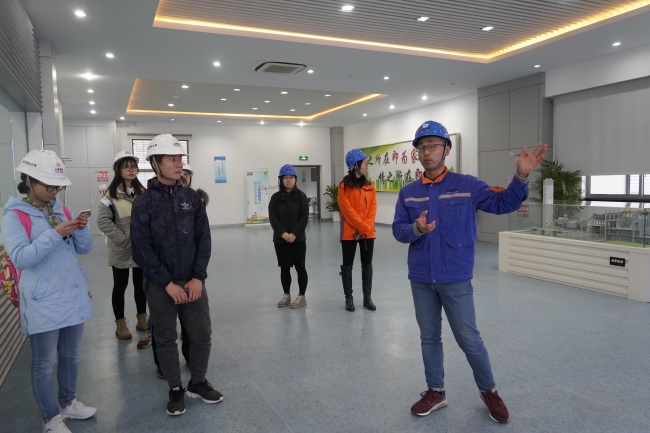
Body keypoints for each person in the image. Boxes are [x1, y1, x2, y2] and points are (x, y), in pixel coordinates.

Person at [392, 120, 547, 423]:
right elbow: (398, 230)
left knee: (469, 338)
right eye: (422, 147)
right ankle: (436, 391)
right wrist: (416, 229)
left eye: (433, 146)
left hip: (455, 278)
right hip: (421, 278)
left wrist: (521, 176)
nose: (427, 152)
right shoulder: (408, 192)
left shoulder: (467, 185)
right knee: (429, 338)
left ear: (446, 149)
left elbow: (503, 203)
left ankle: (489, 391)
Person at [1, 150, 96, 433]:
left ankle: (68, 403)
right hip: (43, 299)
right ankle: (50, 417)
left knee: (71, 357)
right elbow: (21, 257)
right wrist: (55, 234)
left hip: (71, 294)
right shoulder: (14, 216)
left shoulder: (62, 210)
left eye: (58, 186)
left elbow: (83, 249)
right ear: (28, 180)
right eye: (48, 185)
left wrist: (81, 229)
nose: (54, 191)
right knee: (44, 363)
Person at [130, 133, 222, 416]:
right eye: (171, 159)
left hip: (192, 280)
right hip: (161, 284)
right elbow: (141, 249)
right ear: (155, 164)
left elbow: (203, 240)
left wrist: (198, 277)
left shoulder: (192, 198)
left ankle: (197, 382)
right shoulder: (144, 202)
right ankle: (175, 388)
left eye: (180, 158)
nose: (179, 163)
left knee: (202, 334)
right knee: (166, 338)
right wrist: (166, 283)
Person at [97, 150, 148, 343]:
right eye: (126, 167)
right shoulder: (110, 195)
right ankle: (120, 324)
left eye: (133, 166)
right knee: (120, 286)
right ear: (118, 170)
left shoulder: (143, 193)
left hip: (141, 248)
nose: (131, 170)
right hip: (121, 249)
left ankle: (142, 319)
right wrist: (122, 239)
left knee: (140, 285)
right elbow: (103, 221)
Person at [338, 149, 377, 312]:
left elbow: (372, 209)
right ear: (355, 166)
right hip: (349, 233)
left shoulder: (370, 186)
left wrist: (366, 229)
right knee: (347, 266)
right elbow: (347, 211)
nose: (367, 167)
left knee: (367, 265)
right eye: (365, 164)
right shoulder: (343, 187)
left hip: (367, 234)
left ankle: (367, 298)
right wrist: (362, 228)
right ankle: (349, 298)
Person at [268, 164, 309, 308]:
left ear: (295, 179)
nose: (288, 180)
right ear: (281, 180)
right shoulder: (275, 198)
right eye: (285, 177)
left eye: (291, 177)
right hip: (281, 240)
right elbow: (273, 218)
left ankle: (302, 296)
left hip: (298, 240)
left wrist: (294, 234)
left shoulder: (302, 197)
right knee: (284, 268)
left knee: (300, 268)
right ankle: (286, 294)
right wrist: (284, 234)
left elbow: (304, 217)